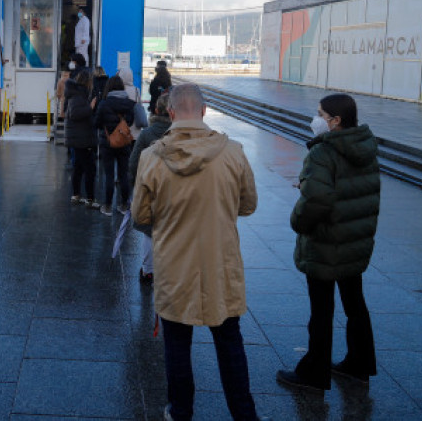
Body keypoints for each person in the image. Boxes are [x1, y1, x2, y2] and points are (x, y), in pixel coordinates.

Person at [131, 83, 262, 421]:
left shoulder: (151, 157)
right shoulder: (233, 151)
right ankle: (244, 414)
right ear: (204, 111)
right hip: (221, 265)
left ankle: (181, 411)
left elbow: (140, 216)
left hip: (174, 266)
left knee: (177, 346)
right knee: (230, 343)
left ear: (171, 112)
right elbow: (248, 205)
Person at [276, 93, 379, 393]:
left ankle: (313, 373)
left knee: (321, 309)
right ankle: (359, 364)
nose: (315, 118)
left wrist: (298, 221)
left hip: (325, 241)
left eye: (320, 114)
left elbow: (318, 199)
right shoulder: (364, 148)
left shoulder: (323, 153)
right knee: (355, 304)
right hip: (353, 240)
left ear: (335, 121)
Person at [128, 93, 171, 283]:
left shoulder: (147, 134)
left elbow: (133, 164)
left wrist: (135, 188)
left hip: (151, 189)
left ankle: (148, 270)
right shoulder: (179, 134)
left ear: (155, 110)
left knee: (149, 231)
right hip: (175, 191)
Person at [93, 75, 135, 216]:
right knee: (124, 174)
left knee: (109, 175)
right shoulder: (130, 103)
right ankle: (124, 205)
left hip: (107, 144)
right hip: (124, 143)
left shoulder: (104, 104)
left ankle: (108, 206)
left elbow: (97, 123)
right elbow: (130, 122)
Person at [64, 70, 99, 208]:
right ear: (87, 82)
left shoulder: (77, 94)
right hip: (82, 139)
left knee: (78, 168)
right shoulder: (78, 96)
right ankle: (90, 199)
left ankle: (76, 195)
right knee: (89, 169)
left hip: (79, 137)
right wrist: (90, 108)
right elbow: (75, 114)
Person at [119, 67, 148, 139]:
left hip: (122, 126)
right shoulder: (136, 90)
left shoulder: (119, 90)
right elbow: (139, 105)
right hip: (134, 127)